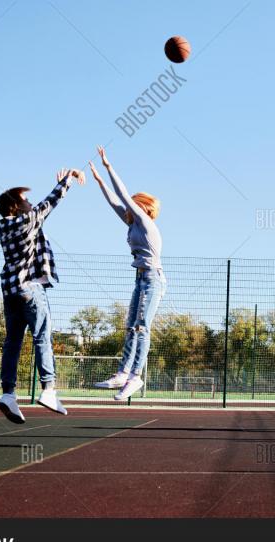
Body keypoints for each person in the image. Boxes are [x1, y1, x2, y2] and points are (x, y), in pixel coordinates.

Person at [0, 168, 85, 423]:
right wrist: (67, 181)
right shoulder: (27, 220)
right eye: (25, 199)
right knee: (42, 337)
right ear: (16, 205)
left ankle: (8, 394)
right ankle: (48, 389)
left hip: (10, 290)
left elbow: (39, 218)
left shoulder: (3, 228)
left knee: (12, 342)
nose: (30, 202)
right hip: (30, 289)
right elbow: (50, 203)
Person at [90, 146, 166, 400]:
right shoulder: (133, 223)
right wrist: (100, 181)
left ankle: (135, 376)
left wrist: (108, 167)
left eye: (134, 204)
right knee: (131, 327)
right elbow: (115, 202)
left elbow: (122, 195)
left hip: (152, 279)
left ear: (142, 207)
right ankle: (123, 373)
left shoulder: (146, 224)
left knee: (142, 327)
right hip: (141, 279)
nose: (128, 208)